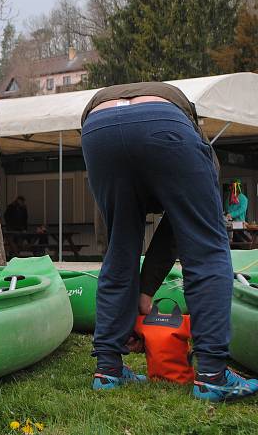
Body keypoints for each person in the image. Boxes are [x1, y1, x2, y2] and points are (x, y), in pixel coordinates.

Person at [80, 81, 258, 401]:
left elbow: (121, 245)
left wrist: (143, 292)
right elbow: (185, 233)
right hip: (162, 119)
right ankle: (212, 375)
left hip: (97, 125)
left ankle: (107, 369)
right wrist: (144, 290)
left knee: (119, 249)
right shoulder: (197, 149)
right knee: (207, 250)